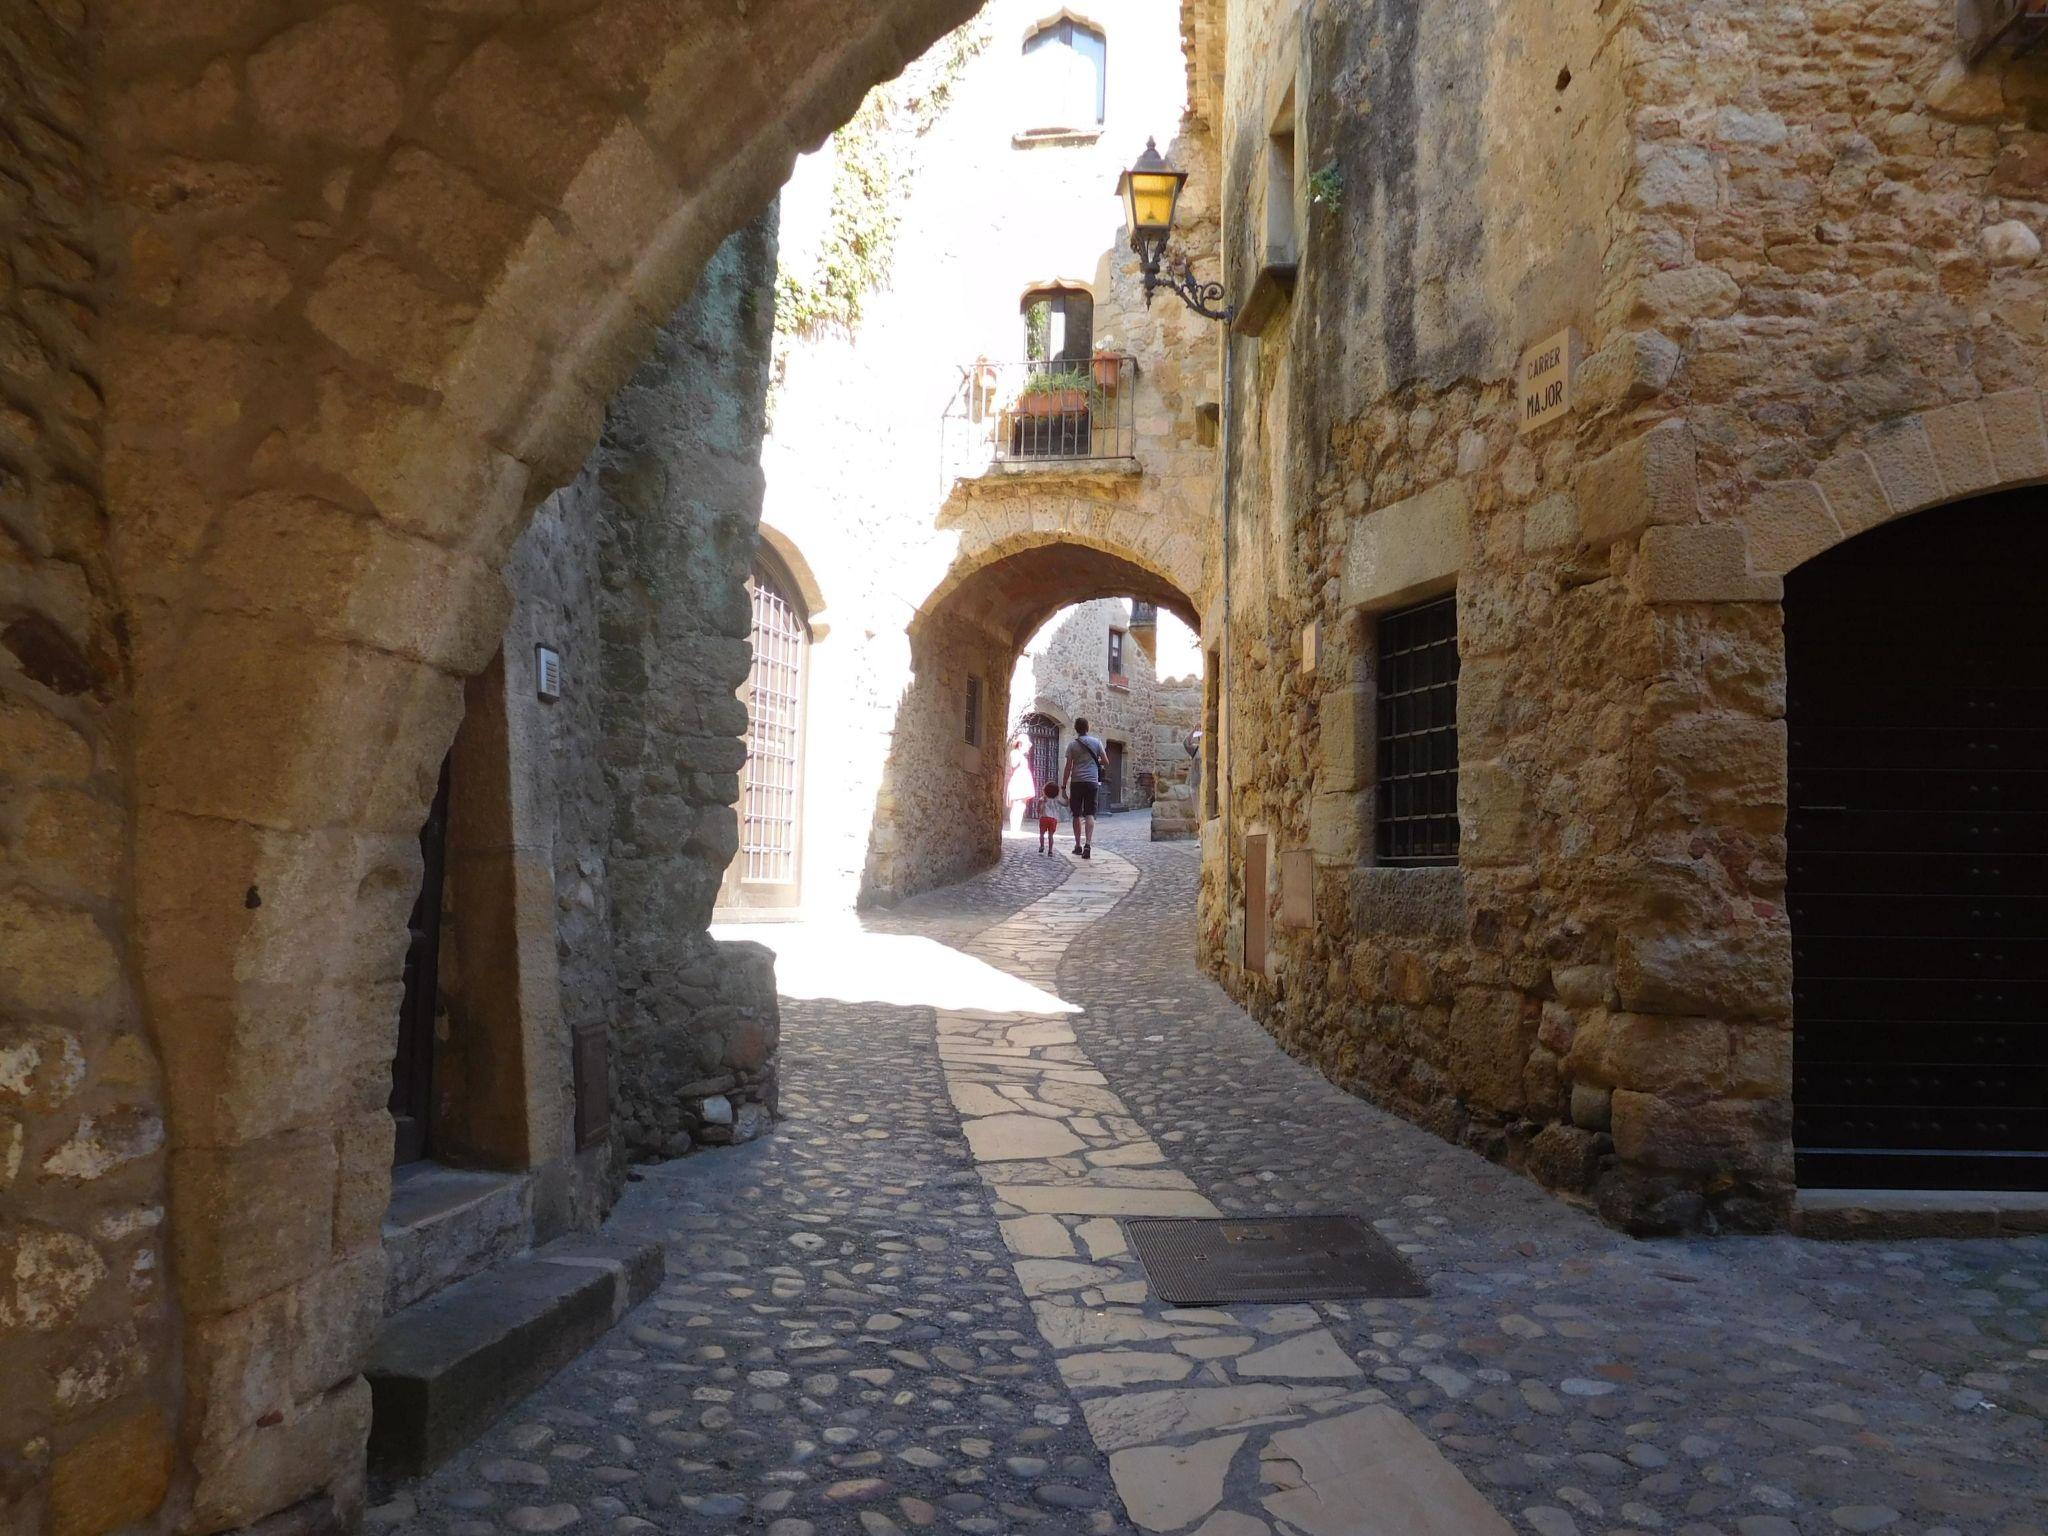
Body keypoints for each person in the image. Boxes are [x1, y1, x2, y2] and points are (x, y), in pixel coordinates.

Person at [1060, 715, 1107, 859]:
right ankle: (1088, 844)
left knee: (1076, 814)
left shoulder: (1072, 745)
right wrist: (1095, 762)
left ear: (1076, 729)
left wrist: (1063, 786)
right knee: (1090, 813)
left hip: (1077, 782)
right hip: (1092, 782)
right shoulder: (1096, 742)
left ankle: (1077, 845)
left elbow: (1068, 767)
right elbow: (1106, 761)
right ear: (1087, 728)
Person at [1004, 736, 1036, 833]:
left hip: (1023, 781)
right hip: (1018, 781)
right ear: (1020, 744)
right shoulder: (1015, 753)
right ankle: (1014, 828)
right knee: (1017, 805)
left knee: (1021, 805)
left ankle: (1017, 827)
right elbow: (1013, 764)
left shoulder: (1021, 755)